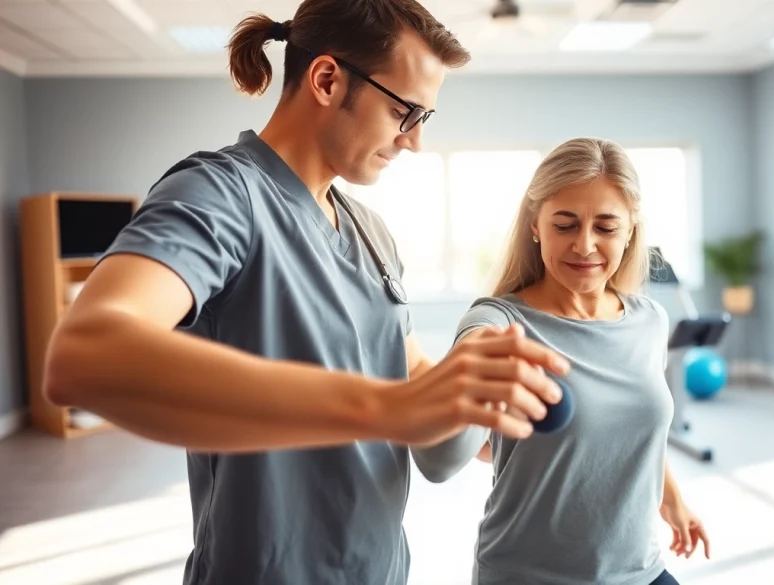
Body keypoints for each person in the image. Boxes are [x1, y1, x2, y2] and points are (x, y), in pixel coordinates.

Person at [41, 1, 570, 584]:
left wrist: (486, 408)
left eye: (426, 118)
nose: (414, 141)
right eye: (405, 111)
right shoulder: (222, 193)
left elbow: (405, 369)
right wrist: (384, 409)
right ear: (325, 79)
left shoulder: (370, 231)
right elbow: (87, 355)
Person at [410, 137, 711, 585]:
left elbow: (636, 427)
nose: (585, 246)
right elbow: (460, 435)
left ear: (631, 231)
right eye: (565, 225)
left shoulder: (649, 320)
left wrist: (672, 498)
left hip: (640, 571)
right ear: (535, 224)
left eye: (606, 227)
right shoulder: (498, 321)